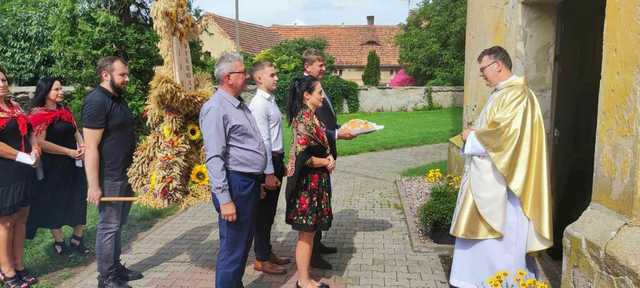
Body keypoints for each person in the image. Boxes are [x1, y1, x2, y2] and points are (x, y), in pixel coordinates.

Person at [448, 46, 553, 287]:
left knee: (502, 240)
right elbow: (495, 128)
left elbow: (506, 136)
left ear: (498, 65)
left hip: (503, 183)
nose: (482, 74)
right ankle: (476, 279)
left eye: (484, 69)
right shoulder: (502, 93)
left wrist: (471, 137)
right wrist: (474, 134)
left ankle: (501, 281)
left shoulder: (517, 94)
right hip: (488, 173)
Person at [200, 52, 267, 288]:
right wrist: (225, 199)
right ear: (228, 77)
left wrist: (255, 181)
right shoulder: (216, 108)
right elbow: (214, 157)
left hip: (246, 183)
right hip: (234, 184)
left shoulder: (237, 104)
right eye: (243, 72)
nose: (247, 76)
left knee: (241, 244)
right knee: (232, 248)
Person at [83, 56, 143, 288]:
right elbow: (91, 147)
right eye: (122, 75)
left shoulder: (118, 98)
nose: (126, 78)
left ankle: (115, 267)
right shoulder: (96, 101)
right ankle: (106, 278)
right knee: (109, 225)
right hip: (109, 175)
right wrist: (93, 185)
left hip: (125, 173)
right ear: (105, 75)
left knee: (117, 224)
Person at [302, 48, 356, 270]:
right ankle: (311, 255)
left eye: (324, 64)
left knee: (322, 200)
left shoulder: (317, 85)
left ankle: (318, 242)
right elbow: (310, 126)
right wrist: (335, 134)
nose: (324, 68)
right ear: (308, 66)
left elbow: (326, 119)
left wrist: (340, 128)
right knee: (314, 204)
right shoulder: (304, 88)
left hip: (325, 153)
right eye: (320, 64)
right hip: (314, 156)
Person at [26, 77, 89, 256]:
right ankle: (60, 241)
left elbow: (76, 131)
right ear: (46, 92)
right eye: (56, 89)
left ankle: (77, 239)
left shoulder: (64, 111)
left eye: (61, 88)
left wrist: (82, 146)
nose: (61, 92)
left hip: (73, 163)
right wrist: (68, 152)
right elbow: (40, 143)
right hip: (53, 167)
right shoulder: (38, 115)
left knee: (78, 199)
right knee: (55, 203)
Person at [285, 76, 334, 288]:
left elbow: (322, 144)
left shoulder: (313, 117)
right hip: (307, 187)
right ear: (307, 96)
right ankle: (303, 282)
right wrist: (325, 161)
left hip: (316, 184)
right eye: (319, 92)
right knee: (305, 234)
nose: (322, 96)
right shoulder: (303, 120)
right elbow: (302, 156)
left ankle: (306, 277)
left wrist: (329, 157)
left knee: (310, 232)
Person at [248, 61, 290, 275]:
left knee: (270, 212)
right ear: (259, 79)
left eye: (276, 74)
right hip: (267, 163)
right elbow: (262, 140)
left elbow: (273, 136)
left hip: (275, 160)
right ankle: (261, 259)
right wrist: (268, 172)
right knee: (263, 214)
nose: (276, 78)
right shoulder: (259, 104)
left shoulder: (270, 101)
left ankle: (266, 251)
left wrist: (280, 162)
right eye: (272, 75)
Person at [0, 66, 41, 288]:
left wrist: (35, 149)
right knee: (5, 222)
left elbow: (31, 131)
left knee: (21, 218)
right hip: (4, 173)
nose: (3, 83)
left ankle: (18, 264)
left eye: (4, 79)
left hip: (24, 169)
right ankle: (6, 271)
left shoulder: (15, 106)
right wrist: (22, 157)